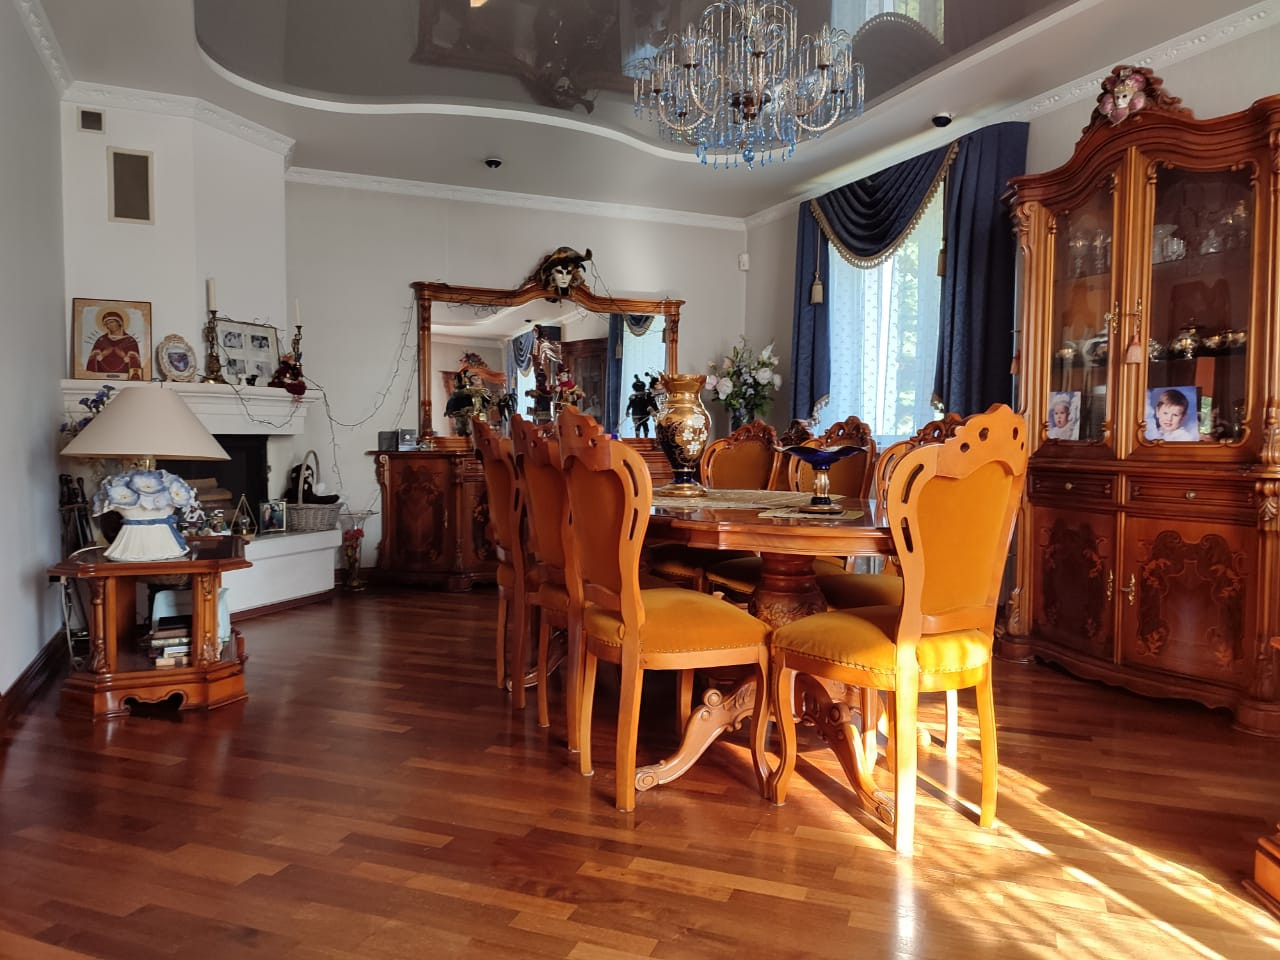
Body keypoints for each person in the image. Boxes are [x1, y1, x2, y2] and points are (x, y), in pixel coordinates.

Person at [85, 310, 143, 379]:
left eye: (112, 322)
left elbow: (135, 363)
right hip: (102, 377)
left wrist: (123, 355)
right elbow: (92, 361)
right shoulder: (101, 340)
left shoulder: (130, 340)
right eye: (107, 324)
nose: (110, 325)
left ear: (119, 322)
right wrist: (103, 354)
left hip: (124, 377)